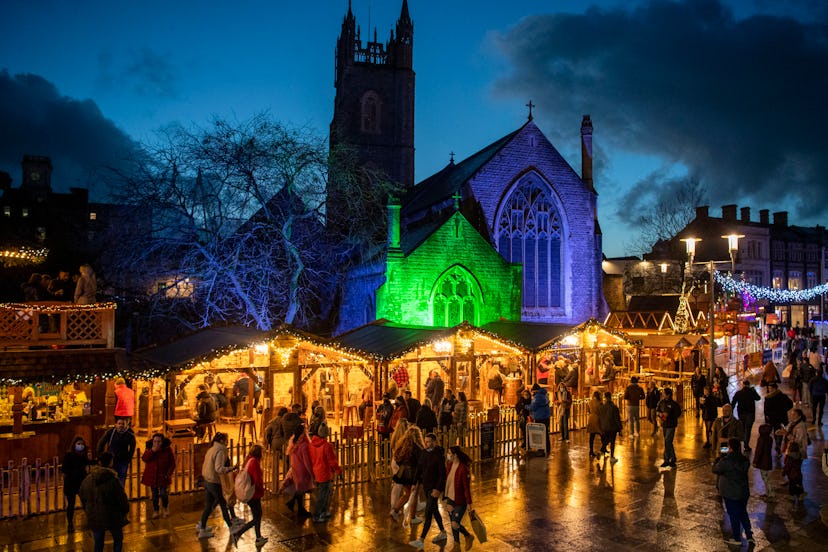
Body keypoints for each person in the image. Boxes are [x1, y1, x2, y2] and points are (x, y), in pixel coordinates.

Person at [79, 451, 129, 552]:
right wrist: (125, 510)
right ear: (111, 463)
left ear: (99, 462)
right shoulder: (113, 480)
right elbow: (121, 498)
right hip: (113, 516)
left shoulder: (88, 479)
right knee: (118, 539)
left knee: (98, 542)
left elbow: (82, 495)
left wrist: (88, 509)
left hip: (94, 516)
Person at [198, 432, 243, 538]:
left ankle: (202, 528)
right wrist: (231, 468)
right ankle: (232, 527)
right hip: (214, 482)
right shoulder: (221, 450)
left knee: (209, 506)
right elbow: (219, 468)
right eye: (226, 439)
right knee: (223, 504)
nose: (227, 441)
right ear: (222, 440)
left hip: (207, 481)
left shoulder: (211, 449)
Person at [712, 438, 755, 547]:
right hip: (743, 492)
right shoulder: (744, 460)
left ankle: (737, 538)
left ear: (730, 448)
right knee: (743, 513)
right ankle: (749, 536)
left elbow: (715, 469)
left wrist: (718, 460)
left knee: (734, 516)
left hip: (730, 493)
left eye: (728, 447)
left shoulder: (726, 462)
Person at [409, 433, 447, 549]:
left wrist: (438, 489)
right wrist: (414, 483)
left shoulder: (438, 455)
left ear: (434, 442)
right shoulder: (424, 453)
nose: (427, 444)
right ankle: (443, 532)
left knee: (428, 513)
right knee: (434, 510)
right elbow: (419, 469)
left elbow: (442, 474)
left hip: (434, 488)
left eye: (429, 442)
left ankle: (421, 539)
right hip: (426, 487)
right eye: (426, 442)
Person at [231, 444, 267, 547]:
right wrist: (262, 489)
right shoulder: (254, 462)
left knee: (257, 516)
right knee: (257, 517)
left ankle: (258, 537)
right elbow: (257, 480)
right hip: (253, 494)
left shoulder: (248, 460)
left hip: (250, 493)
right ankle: (238, 533)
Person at [390, 425, 425, 522]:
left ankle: (395, 510)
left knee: (407, 494)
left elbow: (397, 458)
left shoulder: (402, 445)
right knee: (414, 494)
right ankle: (412, 517)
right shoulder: (418, 448)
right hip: (414, 475)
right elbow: (421, 461)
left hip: (403, 475)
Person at [308, 424, 341, 523]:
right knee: (323, 495)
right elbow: (332, 461)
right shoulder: (326, 446)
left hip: (316, 471)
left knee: (325, 493)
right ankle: (317, 514)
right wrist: (338, 471)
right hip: (325, 473)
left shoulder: (312, 445)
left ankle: (324, 511)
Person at [444, 445, 475, 551]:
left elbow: (466, 487)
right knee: (453, 523)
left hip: (460, 500)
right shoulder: (449, 465)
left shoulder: (463, 469)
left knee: (454, 522)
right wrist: (446, 498)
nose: (448, 455)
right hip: (450, 499)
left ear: (455, 455)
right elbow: (447, 482)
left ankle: (467, 536)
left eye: (449, 453)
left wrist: (469, 502)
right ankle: (456, 546)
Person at [62, 435, 94, 532]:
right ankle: (70, 523)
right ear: (74, 445)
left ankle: (90, 520)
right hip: (71, 483)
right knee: (71, 504)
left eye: (82, 444)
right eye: (78, 444)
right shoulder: (69, 455)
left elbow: (89, 463)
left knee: (85, 502)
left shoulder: (83, 455)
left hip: (81, 482)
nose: (80, 446)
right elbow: (64, 470)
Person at [141, 433, 176, 518]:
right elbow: (144, 458)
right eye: (155, 441)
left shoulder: (167, 450)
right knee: (154, 495)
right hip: (153, 476)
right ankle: (156, 510)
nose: (156, 443)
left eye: (159, 441)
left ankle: (165, 508)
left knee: (164, 494)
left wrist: (168, 474)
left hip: (163, 476)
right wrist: (152, 451)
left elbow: (172, 463)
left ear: (162, 442)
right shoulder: (149, 449)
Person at [285, 424, 314, 518]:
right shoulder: (304, 445)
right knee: (301, 490)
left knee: (299, 489)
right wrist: (311, 472)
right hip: (302, 470)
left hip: (295, 468)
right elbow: (306, 461)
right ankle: (300, 509)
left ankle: (292, 503)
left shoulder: (293, 443)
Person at [96, 418, 136, 487]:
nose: (121, 425)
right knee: (109, 481)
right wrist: (100, 455)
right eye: (119, 423)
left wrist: (127, 460)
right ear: (116, 424)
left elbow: (132, 449)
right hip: (110, 461)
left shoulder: (130, 435)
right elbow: (101, 443)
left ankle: (119, 495)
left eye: (123, 424)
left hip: (122, 462)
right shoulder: (111, 432)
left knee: (120, 481)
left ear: (127, 425)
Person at [763, 382, 793, 456]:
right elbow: (790, 404)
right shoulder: (783, 396)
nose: (769, 390)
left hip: (771, 418)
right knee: (778, 433)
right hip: (781, 418)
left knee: (769, 433)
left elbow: (766, 410)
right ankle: (778, 446)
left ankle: (768, 448)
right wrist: (784, 410)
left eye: (770, 388)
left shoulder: (768, 398)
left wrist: (767, 418)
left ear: (774, 388)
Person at [730, 379, 760, 452]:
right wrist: (754, 391)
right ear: (749, 385)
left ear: (743, 385)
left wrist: (731, 411)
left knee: (742, 428)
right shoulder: (752, 392)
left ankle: (740, 444)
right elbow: (758, 398)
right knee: (748, 429)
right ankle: (746, 446)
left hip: (741, 413)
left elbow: (733, 402)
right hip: (750, 413)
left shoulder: (739, 393)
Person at [656, 387, 681, 468]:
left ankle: (666, 459)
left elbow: (678, 413)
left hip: (671, 425)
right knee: (668, 441)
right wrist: (660, 415)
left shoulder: (674, 404)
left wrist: (670, 415)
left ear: (668, 395)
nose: (662, 394)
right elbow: (658, 410)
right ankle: (673, 458)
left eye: (664, 393)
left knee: (667, 441)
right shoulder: (661, 402)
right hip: (664, 424)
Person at [527, 383, 551, 456]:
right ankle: (547, 448)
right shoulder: (544, 395)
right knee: (545, 433)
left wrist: (526, 407)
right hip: (546, 416)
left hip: (540, 417)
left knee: (541, 434)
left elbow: (533, 407)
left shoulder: (538, 397)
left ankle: (541, 449)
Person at [598, 391, 623, 462]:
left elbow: (600, 417)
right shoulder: (614, 407)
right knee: (612, 442)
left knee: (606, 440)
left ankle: (600, 451)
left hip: (605, 427)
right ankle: (612, 457)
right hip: (612, 427)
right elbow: (617, 419)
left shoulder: (602, 407)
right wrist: (620, 428)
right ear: (611, 397)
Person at [752, 424, 775, 499]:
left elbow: (759, 451)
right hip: (768, 460)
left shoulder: (761, 439)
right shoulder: (770, 438)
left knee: (765, 478)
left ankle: (771, 493)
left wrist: (755, 461)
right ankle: (768, 493)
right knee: (766, 477)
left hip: (762, 461)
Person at [782, 441, 805, 509]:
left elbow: (787, 466)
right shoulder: (799, 455)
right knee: (798, 484)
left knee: (792, 486)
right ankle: (800, 495)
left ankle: (792, 496)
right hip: (798, 474)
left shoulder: (789, 457)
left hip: (792, 475)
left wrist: (784, 472)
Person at [587, 390, 603, 458]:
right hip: (597, 418)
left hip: (591, 419)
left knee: (592, 436)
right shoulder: (600, 403)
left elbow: (588, 410)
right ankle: (603, 449)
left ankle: (591, 451)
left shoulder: (590, 402)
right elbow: (601, 411)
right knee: (602, 435)